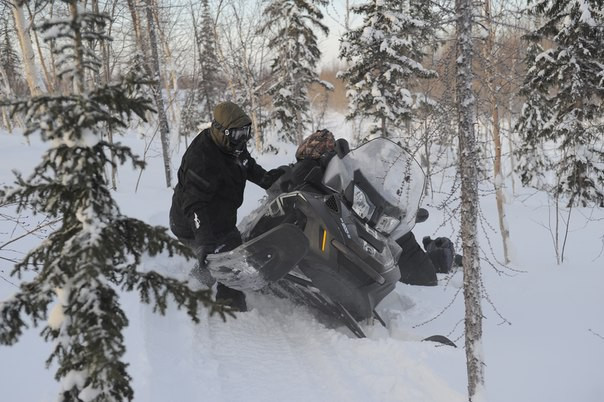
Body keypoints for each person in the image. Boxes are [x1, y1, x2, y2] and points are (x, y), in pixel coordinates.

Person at [273, 129, 456, 286]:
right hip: (313, 226)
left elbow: (366, 182)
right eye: (320, 148)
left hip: (355, 217)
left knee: (419, 268)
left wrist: (399, 209)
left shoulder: (350, 166)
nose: (322, 150)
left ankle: (442, 257)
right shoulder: (305, 170)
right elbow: (285, 189)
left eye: (325, 147)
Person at [170, 101, 284, 311]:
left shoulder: (232, 147)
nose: (243, 139)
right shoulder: (202, 159)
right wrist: (204, 241)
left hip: (219, 216)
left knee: (229, 244)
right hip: (192, 222)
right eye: (238, 134)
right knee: (229, 255)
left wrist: (271, 180)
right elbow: (195, 204)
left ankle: (205, 274)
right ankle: (226, 302)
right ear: (221, 131)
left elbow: (247, 166)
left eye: (246, 132)